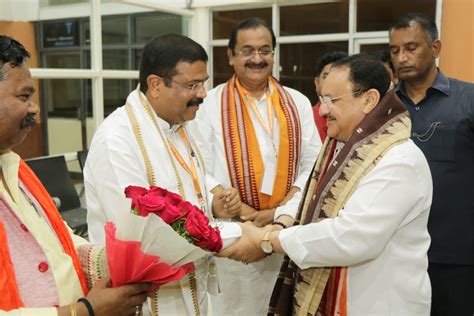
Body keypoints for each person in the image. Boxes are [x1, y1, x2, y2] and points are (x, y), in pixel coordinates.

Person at [221, 54, 433, 316]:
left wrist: (268, 240)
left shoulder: (399, 160)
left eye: (331, 100)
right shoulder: (340, 146)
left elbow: (351, 237)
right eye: (321, 99)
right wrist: (281, 222)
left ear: (369, 100)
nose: (321, 110)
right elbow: (313, 196)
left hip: (377, 303)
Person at [84, 34, 241, 316]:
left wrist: (212, 196)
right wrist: (238, 236)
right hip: (144, 299)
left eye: (203, 83)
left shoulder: (177, 124)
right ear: (156, 85)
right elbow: (142, 233)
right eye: (192, 85)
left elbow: (181, 177)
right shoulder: (117, 139)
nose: (203, 94)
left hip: (189, 284)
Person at [0, 35, 149, 315]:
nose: (34, 108)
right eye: (24, 96)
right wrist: (83, 312)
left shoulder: (12, 166)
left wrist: (118, 263)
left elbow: (56, 243)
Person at [190, 18, 321, 316]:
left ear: (274, 54)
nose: (257, 59)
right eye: (247, 50)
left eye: (265, 50)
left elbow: (312, 163)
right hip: (237, 233)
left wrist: (282, 212)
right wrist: (228, 200)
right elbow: (196, 162)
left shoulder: (297, 103)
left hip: (286, 229)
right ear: (231, 56)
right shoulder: (210, 104)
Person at [389, 13, 474, 316]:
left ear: (435, 48)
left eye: (411, 47)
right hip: (394, 254)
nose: (402, 57)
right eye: (395, 50)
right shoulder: (385, 110)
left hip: (455, 255)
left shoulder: (468, 100)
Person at [312, 51, 348, 142]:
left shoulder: (354, 117)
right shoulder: (305, 118)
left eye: (337, 77)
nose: (331, 82)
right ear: (317, 83)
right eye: (326, 76)